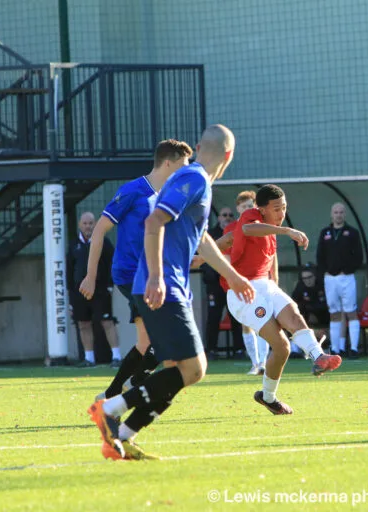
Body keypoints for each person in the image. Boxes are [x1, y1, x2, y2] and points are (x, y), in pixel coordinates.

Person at [88, 124, 255, 461]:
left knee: (179, 370)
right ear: (229, 155)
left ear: (198, 146)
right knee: (194, 369)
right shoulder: (194, 179)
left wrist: (234, 277)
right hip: (163, 287)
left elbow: (202, 239)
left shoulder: (196, 182)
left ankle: (121, 436)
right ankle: (110, 409)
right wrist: (156, 277)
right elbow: (154, 223)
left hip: (167, 285)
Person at [79, 139, 193, 399]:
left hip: (155, 276)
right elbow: (100, 230)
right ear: (167, 162)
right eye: (183, 165)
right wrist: (91, 274)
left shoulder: (170, 197)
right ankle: (123, 391)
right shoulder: (133, 190)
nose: (187, 172)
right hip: (130, 275)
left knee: (149, 342)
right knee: (158, 339)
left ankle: (116, 393)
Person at [217, 184, 342, 415]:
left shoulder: (271, 229)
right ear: (260, 209)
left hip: (264, 285)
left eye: (284, 207)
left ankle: (315, 359)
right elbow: (241, 232)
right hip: (242, 291)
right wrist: (287, 231)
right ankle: (267, 383)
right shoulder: (250, 218)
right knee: (281, 344)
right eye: (276, 208)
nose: (281, 213)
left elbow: (224, 244)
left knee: (293, 315)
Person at [220, 191, 270, 374]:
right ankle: (255, 363)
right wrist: (231, 278)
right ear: (238, 209)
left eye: (250, 206)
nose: (247, 209)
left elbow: (272, 255)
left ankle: (264, 363)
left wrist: (275, 277)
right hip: (240, 281)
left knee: (263, 318)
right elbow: (224, 255)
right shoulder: (231, 229)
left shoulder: (263, 227)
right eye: (243, 207)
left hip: (260, 279)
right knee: (246, 321)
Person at [67, 211, 120, 367]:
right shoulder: (73, 245)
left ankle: (117, 356)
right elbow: (69, 271)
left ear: (95, 224)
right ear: (79, 225)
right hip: (79, 292)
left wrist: (110, 286)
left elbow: (113, 263)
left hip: (100, 290)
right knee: (83, 323)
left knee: (107, 321)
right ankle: (89, 358)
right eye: (85, 223)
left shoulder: (103, 242)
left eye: (90, 223)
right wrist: (71, 297)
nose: (88, 226)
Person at [317, 203, 363, 358]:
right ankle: (336, 349)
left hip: (347, 278)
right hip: (330, 278)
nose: (338, 215)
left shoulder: (352, 232)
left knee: (351, 311)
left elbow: (358, 256)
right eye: (336, 212)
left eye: (341, 212)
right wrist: (326, 272)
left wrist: (347, 270)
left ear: (345, 214)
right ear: (331, 214)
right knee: (334, 313)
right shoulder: (325, 233)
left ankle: (354, 348)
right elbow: (320, 256)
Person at [202, 205, 244, 360]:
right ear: (218, 217)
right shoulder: (210, 235)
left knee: (236, 316)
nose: (227, 217)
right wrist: (212, 276)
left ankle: (239, 349)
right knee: (213, 316)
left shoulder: (236, 233)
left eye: (230, 215)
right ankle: (210, 350)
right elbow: (205, 257)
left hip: (232, 283)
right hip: (215, 283)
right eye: (224, 214)